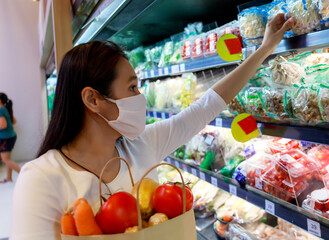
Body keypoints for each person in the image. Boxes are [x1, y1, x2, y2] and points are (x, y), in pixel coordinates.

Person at [11, 14, 293, 239]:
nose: (140, 98)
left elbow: (208, 105)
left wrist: (264, 49)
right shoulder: (41, 179)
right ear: (92, 99)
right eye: (132, 87)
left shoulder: (140, 145)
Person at [0, 92, 20, 183]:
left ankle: (25, 174)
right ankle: (9, 178)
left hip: (6, 138)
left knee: (5, 159)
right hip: (10, 136)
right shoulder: (5, 109)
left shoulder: (0, 110)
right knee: (7, 159)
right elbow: (14, 121)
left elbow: (3, 125)